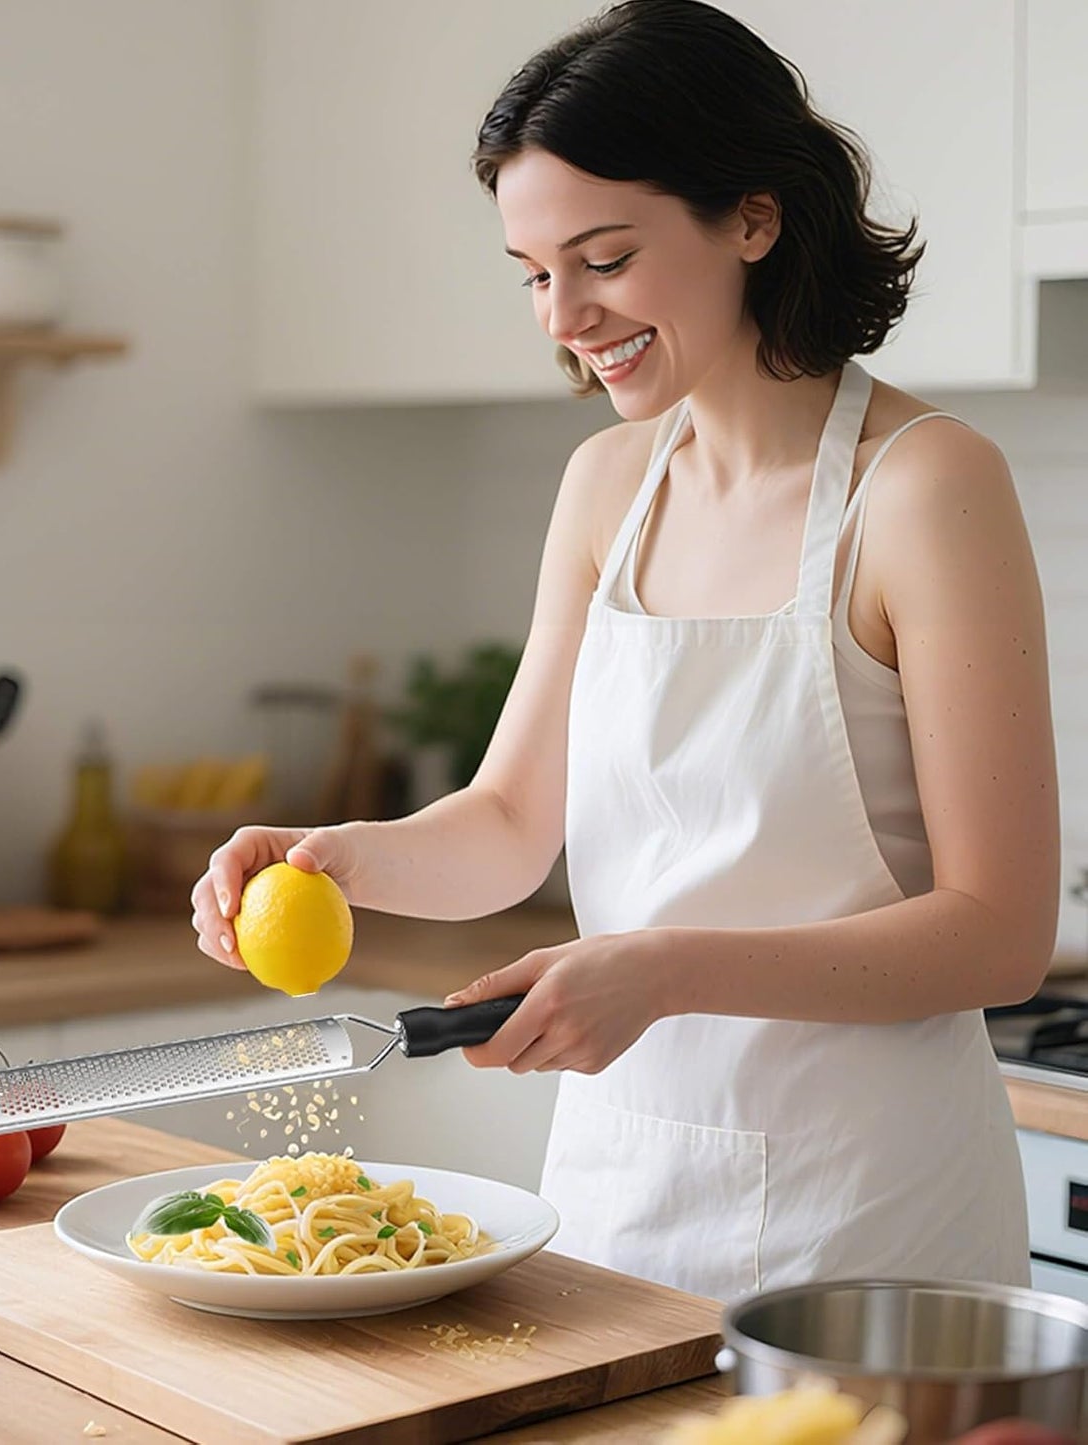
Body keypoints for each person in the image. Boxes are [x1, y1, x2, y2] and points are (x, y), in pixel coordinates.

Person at [192, 0, 1058, 1302]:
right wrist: (335, 860)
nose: (564, 316)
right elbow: (508, 823)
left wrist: (661, 970)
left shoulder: (926, 488)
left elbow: (999, 935)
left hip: (869, 1220)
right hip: (618, 1194)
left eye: (602, 258)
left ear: (752, 219)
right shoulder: (607, 484)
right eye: (535, 273)